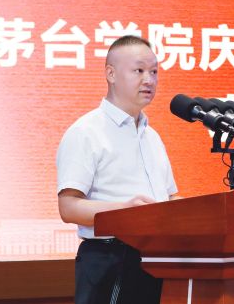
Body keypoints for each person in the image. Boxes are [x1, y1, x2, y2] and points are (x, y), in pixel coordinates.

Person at [56, 35, 178, 304]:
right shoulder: (86, 132)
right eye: (139, 70)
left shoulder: (152, 137)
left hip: (158, 260)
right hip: (110, 259)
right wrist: (125, 212)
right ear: (110, 74)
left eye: (154, 72)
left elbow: (168, 198)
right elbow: (69, 207)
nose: (149, 80)